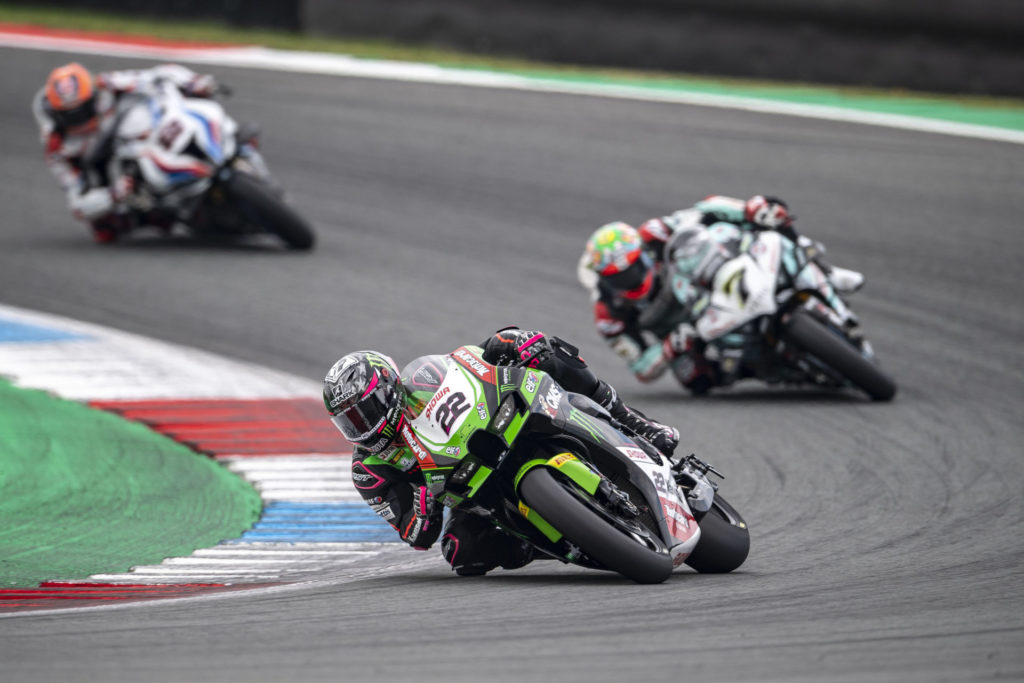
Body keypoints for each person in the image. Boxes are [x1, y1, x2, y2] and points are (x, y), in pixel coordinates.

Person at [322, 328, 680, 577]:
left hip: (501, 424)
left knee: (546, 350)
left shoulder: (425, 375)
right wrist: (423, 499)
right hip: (472, 493)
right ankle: (554, 538)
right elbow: (415, 533)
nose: (362, 426)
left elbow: (471, 358)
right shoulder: (368, 469)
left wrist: (510, 342)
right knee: (462, 553)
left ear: (389, 389)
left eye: (365, 411)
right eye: (349, 421)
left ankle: (630, 420)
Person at [577, 194, 865, 394]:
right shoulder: (608, 314)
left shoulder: (654, 233)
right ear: (604, 279)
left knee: (769, 224)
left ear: (642, 252)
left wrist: (750, 209)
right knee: (692, 378)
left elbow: (706, 209)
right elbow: (640, 368)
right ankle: (760, 368)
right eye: (619, 278)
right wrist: (668, 349)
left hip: (713, 278)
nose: (632, 279)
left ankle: (824, 271)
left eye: (635, 267)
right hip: (690, 329)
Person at [31, 61, 220, 243]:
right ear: (56, 115)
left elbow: (159, 74)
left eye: (84, 109)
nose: (80, 120)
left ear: (94, 96)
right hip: (98, 163)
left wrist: (193, 81)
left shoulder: (105, 84)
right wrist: (113, 195)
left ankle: (219, 143)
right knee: (104, 229)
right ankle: (165, 216)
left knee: (188, 100)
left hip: (130, 134)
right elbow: (77, 204)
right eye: (69, 115)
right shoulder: (57, 147)